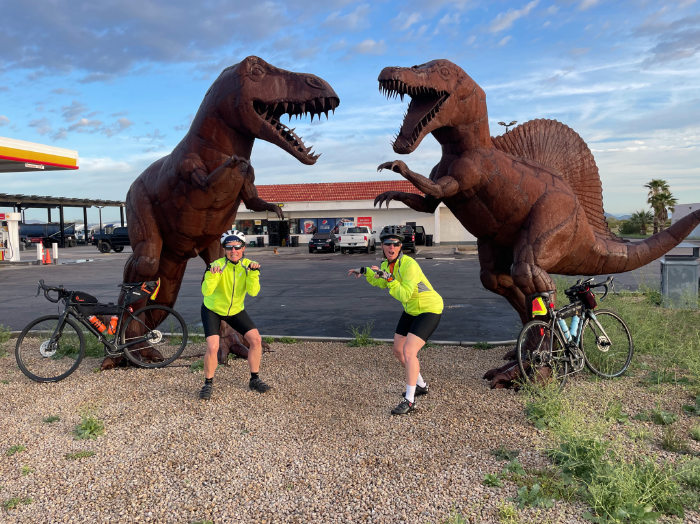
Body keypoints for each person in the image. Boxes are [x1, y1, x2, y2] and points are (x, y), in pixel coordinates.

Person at [348, 225, 443, 415]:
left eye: (396, 244)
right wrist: (366, 271)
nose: (391, 247)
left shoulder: (409, 265)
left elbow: (405, 294)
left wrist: (390, 279)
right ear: (381, 246)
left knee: (409, 351)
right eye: (387, 244)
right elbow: (380, 281)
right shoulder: (386, 265)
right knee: (398, 350)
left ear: (401, 247)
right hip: (411, 309)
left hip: (429, 308)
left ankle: (409, 401)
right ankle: (421, 385)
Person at [199, 229, 270, 400]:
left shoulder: (249, 266)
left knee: (256, 340)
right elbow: (206, 291)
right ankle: (207, 383)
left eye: (237, 246)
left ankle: (254, 379)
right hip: (213, 309)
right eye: (229, 247)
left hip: (235, 310)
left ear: (243, 247)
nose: (233, 251)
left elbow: (253, 292)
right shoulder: (216, 265)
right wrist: (212, 275)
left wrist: (253, 274)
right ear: (224, 249)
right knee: (213, 347)